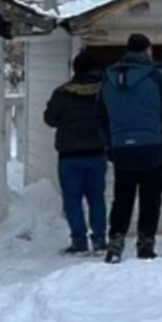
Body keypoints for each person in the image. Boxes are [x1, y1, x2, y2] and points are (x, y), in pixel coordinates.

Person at [96, 33, 162, 263]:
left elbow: (101, 116)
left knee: (122, 198)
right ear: (147, 50)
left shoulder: (109, 78)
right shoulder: (158, 75)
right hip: (155, 147)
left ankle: (115, 245)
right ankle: (145, 246)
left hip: (122, 150)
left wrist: (109, 144)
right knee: (151, 198)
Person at [42, 49, 108, 255]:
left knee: (72, 200)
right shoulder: (103, 91)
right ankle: (99, 240)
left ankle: (79, 242)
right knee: (97, 198)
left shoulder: (62, 92)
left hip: (69, 155)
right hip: (97, 152)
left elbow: (50, 119)